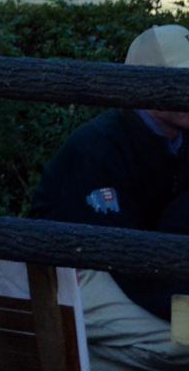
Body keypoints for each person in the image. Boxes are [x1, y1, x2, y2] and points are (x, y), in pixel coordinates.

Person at [31, 24, 189, 370]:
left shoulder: (180, 142)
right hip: (75, 274)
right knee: (179, 342)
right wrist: (181, 306)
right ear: (143, 85)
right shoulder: (98, 147)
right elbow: (123, 259)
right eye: (182, 80)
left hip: (141, 269)